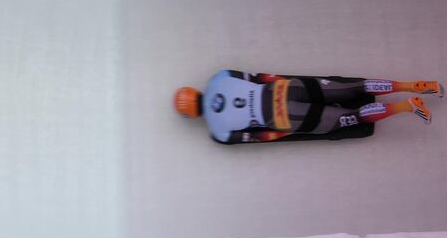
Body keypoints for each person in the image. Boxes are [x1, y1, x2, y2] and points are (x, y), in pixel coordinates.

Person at [175, 70, 442, 144]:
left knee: (351, 118)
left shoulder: (219, 132)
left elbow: (259, 136)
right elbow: (258, 77)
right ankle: (413, 85)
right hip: (284, 89)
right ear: (194, 91)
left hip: (285, 117)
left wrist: (286, 132)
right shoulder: (219, 78)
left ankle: (407, 107)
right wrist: (285, 81)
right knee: (354, 87)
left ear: (191, 114)